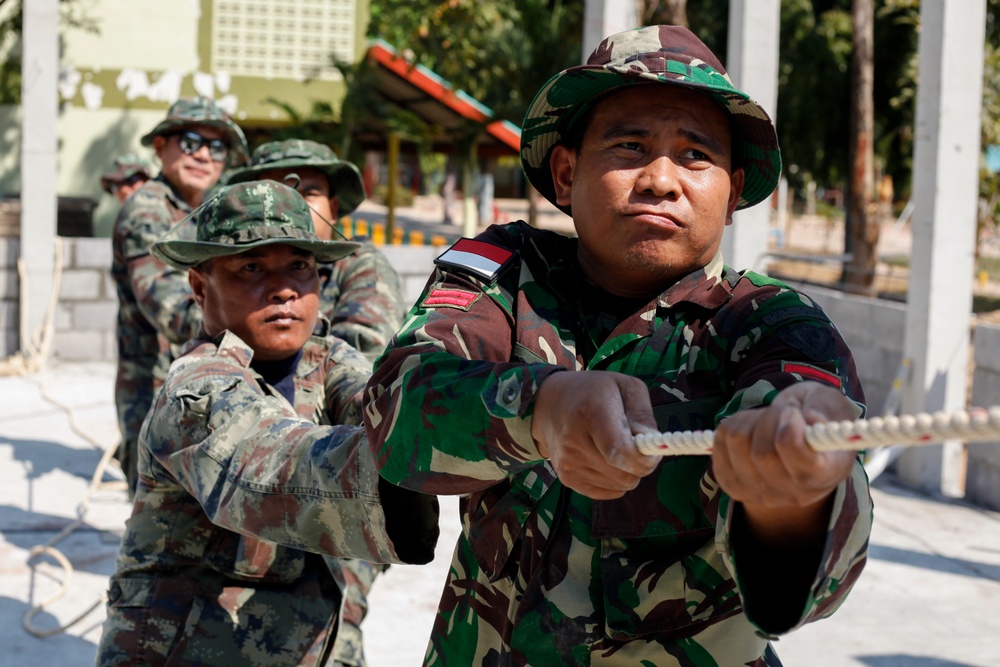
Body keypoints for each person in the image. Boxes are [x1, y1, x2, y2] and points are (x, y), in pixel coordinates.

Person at [363, 25, 873, 666]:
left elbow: (806, 578)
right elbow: (396, 404)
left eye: (695, 157)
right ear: (568, 171)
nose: (662, 180)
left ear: (734, 191)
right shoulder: (507, 277)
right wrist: (539, 410)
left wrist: (796, 487)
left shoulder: (772, 324)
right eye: (630, 147)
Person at [96, 180, 439, 667]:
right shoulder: (195, 387)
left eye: (299, 265)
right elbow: (271, 463)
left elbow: (374, 403)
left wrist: (455, 424)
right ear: (199, 287)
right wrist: (409, 470)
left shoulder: (325, 358)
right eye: (251, 267)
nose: (283, 288)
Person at [227, 139, 406, 664]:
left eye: (310, 189)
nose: (294, 200)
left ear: (335, 206)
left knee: (330, 629)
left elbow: (357, 368)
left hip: (336, 473)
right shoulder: (229, 271)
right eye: (276, 188)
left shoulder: (360, 267)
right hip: (243, 470)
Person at [111, 96, 249, 497]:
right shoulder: (147, 209)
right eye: (190, 142)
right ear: (161, 147)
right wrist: (244, 335)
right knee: (158, 518)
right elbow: (164, 298)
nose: (203, 155)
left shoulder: (213, 210)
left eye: (217, 147)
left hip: (206, 380)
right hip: (155, 388)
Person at [228, 139, 404, 361]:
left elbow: (364, 364)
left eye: (307, 194)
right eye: (274, 194)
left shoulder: (362, 268)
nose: (291, 207)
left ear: (333, 208)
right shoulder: (229, 265)